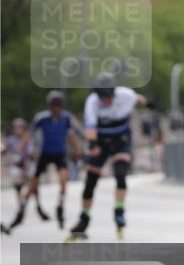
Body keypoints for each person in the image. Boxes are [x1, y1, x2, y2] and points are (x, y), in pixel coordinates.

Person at [66, 74, 146, 241]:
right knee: (90, 182)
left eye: (109, 97)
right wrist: (93, 144)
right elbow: (90, 128)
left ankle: (119, 212)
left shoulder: (126, 95)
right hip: (101, 140)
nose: (106, 101)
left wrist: (148, 103)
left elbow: (139, 99)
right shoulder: (93, 101)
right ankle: (84, 219)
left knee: (120, 174)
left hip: (121, 139)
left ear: (114, 93)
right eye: (103, 98)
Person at [23, 91, 84, 229]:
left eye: (58, 106)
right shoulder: (42, 118)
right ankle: (23, 207)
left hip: (59, 153)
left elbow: (71, 136)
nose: (56, 108)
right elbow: (29, 134)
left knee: (63, 180)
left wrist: (77, 150)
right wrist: (24, 149)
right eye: (53, 105)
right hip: (45, 153)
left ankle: (60, 206)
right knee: (34, 182)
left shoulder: (66, 118)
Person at [1, 118, 34, 234]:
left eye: (20, 127)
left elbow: (30, 154)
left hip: (26, 165)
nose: (18, 130)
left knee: (32, 185)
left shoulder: (28, 140)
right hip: (16, 166)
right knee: (17, 180)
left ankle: (24, 202)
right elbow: (4, 150)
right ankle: (21, 205)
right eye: (16, 127)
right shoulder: (10, 140)